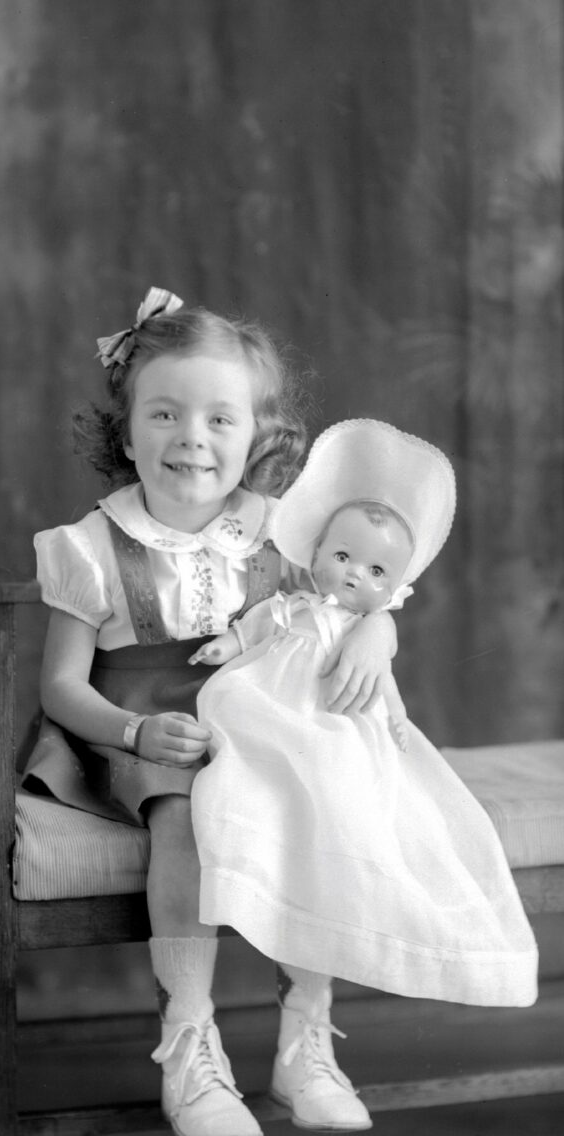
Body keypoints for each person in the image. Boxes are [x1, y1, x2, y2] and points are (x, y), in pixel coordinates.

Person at [23, 290, 399, 1136]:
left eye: (220, 419)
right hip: (132, 728)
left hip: (254, 722)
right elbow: (60, 687)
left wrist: (377, 629)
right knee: (186, 811)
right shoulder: (90, 545)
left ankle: (305, 1039)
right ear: (126, 435)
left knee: (321, 796)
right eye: (165, 413)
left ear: (256, 439)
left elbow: (355, 596)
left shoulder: (281, 532)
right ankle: (188, 1044)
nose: (192, 436)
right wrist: (133, 731)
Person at [190, 419, 539, 1130]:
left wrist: (397, 720)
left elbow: (384, 697)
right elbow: (251, 628)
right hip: (262, 719)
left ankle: (307, 1042)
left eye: (375, 573)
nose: (353, 575)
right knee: (262, 759)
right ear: (315, 549)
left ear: (393, 589)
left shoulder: (362, 631)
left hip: (329, 737)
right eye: (343, 556)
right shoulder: (289, 605)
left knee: (348, 790)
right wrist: (227, 639)